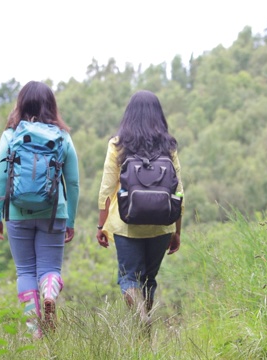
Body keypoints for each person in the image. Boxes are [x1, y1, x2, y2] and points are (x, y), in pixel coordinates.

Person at [0, 81, 80, 339]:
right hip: (54, 213)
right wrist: (70, 218)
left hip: (18, 212)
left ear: (20, 104)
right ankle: (50, 290)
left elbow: (0, 177)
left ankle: (34, 330)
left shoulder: (11, 135)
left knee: (25, 271)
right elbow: (72, 183)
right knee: (49, 269)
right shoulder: (62, 137)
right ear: (51, 106)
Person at [96, 90, 183, 326]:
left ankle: (141, 318)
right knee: (148, 279)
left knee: (128, 278)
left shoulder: (118, 144)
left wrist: (101, 224)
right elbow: (179, 191)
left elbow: (106, 188)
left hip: (125, 224)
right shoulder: (168, 145)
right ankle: (144, 331)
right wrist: (176, 231)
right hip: (161, 225)